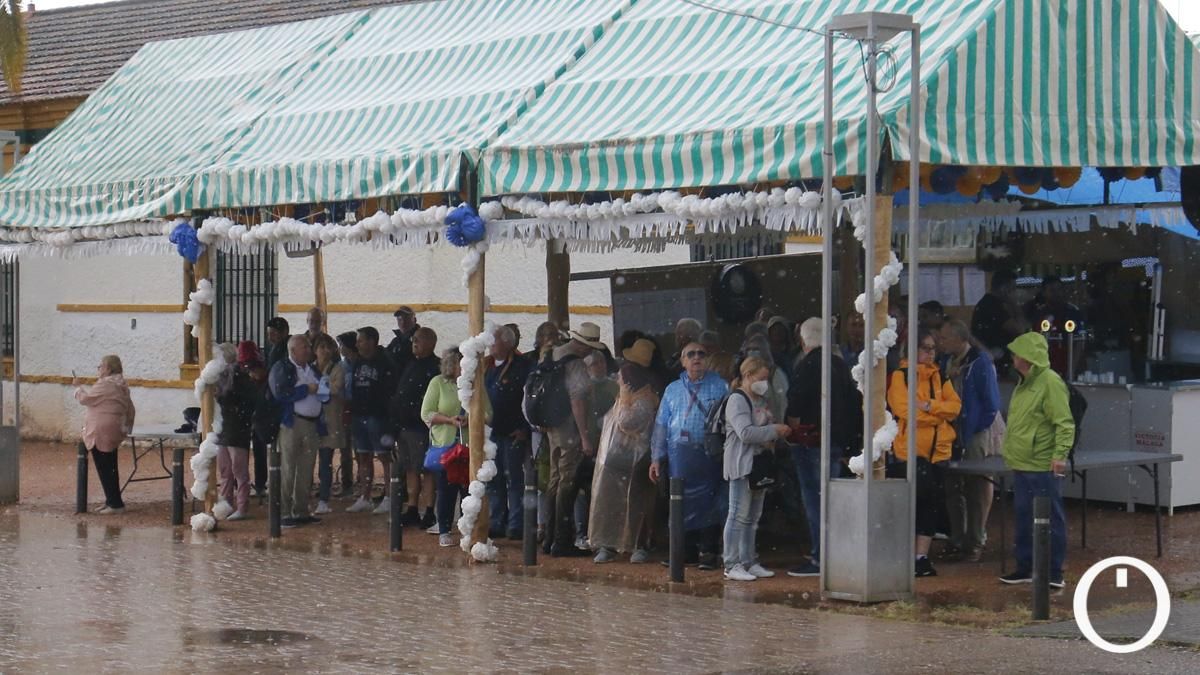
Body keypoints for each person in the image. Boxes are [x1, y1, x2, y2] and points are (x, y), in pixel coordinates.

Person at [785, 317, 861, 577]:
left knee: (815, 501)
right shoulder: (840, 365)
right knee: (833, 500)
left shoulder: (806, 365)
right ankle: (835, 552)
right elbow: (855, 405)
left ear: (803, 339)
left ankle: (820, 556)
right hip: (836, 443)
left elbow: (794, 407)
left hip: (812, 444)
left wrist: (791, 432)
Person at [1000, 332, 1073, 589]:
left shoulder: (1049, 382)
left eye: (1016, 353)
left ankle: (1053, 570)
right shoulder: (1025, 381)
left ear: (1026, 357)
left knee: (1049, 517)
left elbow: (1064, 422)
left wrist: (1059, 455)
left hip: (1041, 463)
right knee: (1023, 516)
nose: (1012, 358)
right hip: (1022, 461)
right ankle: (1026, 566)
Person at [887, 329, 962, 577]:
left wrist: (931, 406)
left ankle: (921, 557)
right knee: (913, 502)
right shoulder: (901, 375)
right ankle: (903, 555)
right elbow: (904, 410)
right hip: (910, 451)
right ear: (913, 349)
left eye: (933, 348)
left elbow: (955, 408)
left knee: (932, 505)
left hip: (939, 451)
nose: (931, 353)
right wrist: (936, 417)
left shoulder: (940, 376)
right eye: (925, 348)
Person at [650, 340, 729, 569]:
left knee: (710, 500)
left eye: (701, 354)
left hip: (709, 453)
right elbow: (661, 425)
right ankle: (685, 551)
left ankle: (708, 551)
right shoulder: (673, 389)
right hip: (679, 455)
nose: (697, 358)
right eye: (691, 354)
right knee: (679, 501)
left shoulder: (721, 386)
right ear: (683, 361)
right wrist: (656, 457)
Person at [721, 356, 791, 581]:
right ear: (748, 376)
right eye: (761, 378)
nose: (764, 383)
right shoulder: (737, 400)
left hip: (759, 465)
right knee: (737, 514)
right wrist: (774, 430)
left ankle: (748, 560)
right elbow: (746, 433)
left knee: (752, 516)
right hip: (742, 465)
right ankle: (731, 563)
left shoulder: (759, 399)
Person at [589, 345, 660, 564]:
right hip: (613, 463)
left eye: (621, 375)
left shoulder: (644, 399)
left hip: (637, 461)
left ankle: (638, 545)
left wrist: (625, 399)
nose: (618, 378)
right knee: (609, 503)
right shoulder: (625, 397)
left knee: (637, 504)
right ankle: (608, 544)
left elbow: (626, 422)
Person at [937, 320, 1002, 562]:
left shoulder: (980, 362)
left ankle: (975, 540)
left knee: (976, 487)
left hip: (973, 431)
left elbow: (991, 404)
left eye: (944, 338)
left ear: (959, 339)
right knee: (953, 488)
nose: (940, 343)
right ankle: (958, 538)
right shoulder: (946, 362)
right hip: (950, 431)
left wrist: (975, 427)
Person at [542, 323, 603, 557]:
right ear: (584, 345)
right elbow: (578, 402)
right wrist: (585, 437)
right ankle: (561, 541)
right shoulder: (575, 363)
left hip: (553, 429)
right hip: (569, 431)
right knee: (567, 484)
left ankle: (549, 538)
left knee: (555, 481)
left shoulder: (552, 355)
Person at [422, 348, 492, 547]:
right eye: (459, 364)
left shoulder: (476, 386)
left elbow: (488, 414)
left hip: (470, 445)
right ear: (451, 365)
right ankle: (444, 528)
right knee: (446, 489)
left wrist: (471, 419)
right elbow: (426, 413)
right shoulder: (438, 383)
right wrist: (449, 420)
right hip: (446, 446)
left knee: (468, 490)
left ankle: (467, 530)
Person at [269, 336, 326, 528]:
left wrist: (323, 391)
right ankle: (284, 511)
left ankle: (301, 510)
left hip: (312, 424)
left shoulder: (312, 369)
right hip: (292, 423)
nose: (309, 349)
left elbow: (323, 392)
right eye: (304, 347)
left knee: (306, 469)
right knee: (288, 468)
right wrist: (305, 389)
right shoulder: (282, 367)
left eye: (309, 346)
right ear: (293, 350)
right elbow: (280, 393)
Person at [485, 325, 533, 539]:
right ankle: (497, 521)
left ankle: (516, 524)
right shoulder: (485, 365)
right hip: (491, 433)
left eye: (493, 340)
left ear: (506, 343)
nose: (489, 344)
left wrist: (524, 428)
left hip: (513, 432)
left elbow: (529, 399)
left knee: (514, 480)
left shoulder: (523, 366)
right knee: (494, 480)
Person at [391, 327, 441, 529]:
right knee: (410, 468)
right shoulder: (411, 364)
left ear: (431, 343)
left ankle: (429, 510)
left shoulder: (435, 367)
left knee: (426, 469)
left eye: (419, 340)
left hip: (421, 427)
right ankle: (412, 507)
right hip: (405, 425)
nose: (415, 343)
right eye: (414, 340)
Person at [73, 355, 136, 515]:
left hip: (101, 430)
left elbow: (86, 399)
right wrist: (127, 426)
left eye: (101, 366)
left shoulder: (106, 384)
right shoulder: (121, 384)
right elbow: (130, 408)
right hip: (114, 428)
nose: (99, 369)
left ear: (108, 369)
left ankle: (114, 503)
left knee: (104, 466)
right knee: (110, 466)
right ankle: (112, 500)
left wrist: (78, 387)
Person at [346, 326, 397, 515]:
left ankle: (390, 496)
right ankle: (365, 497)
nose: (357, 344)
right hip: (359, 415)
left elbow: (390, 391)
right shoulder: (358, 362)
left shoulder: (385, 362)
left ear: (371, 341)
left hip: (379, 416)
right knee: (363, 456)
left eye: (361, 340)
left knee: (384, 457)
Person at [216, 343, 259, 521]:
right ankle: (226, 503)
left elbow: (244, 400)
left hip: (236, 428)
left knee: (238, 471)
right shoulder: (222, 377)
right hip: (226, 428)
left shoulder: (239, 376)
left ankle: (242, 506)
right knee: (226, 471)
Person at [1022, 276, 1084, 377]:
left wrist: (1071, 370)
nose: (1057, 294)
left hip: (1068, 361)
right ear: (1044, 293)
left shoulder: (1072, 312)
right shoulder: (1038, 313)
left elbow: (1079, 342)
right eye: (1052, 290)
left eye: (1059, 289)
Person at [314, 334, 347, 516]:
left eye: (328, 347)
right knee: (309, 459)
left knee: (326, 460)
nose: (325, 350)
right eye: (321, 347)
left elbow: (336, 387)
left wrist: (316, 387)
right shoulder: (309, 368)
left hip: (329, 421)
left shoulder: (337, 368)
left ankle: (324, 498)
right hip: (311, 420)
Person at [971, 270, 1025, 362]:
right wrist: (1014, 304)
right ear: (1004, 289)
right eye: (1013, 288)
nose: (1015, 292)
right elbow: (1019, 330)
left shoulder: (990, 302)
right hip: (996, 359)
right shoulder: (993, 306)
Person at [334, 331, 359, 495]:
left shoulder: (359, 364)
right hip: (344, 408)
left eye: (341, 344)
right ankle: (347, 483)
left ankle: (363, 485)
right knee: (345, 448)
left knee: (361, 450)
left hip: (359, 409)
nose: (339, 348)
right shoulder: (342, 366)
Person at [386, 306, 420, 374]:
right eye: (399, 319)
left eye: (407, 318)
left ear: (415, 320)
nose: (403, 322)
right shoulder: (395, 341)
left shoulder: (420, 340)